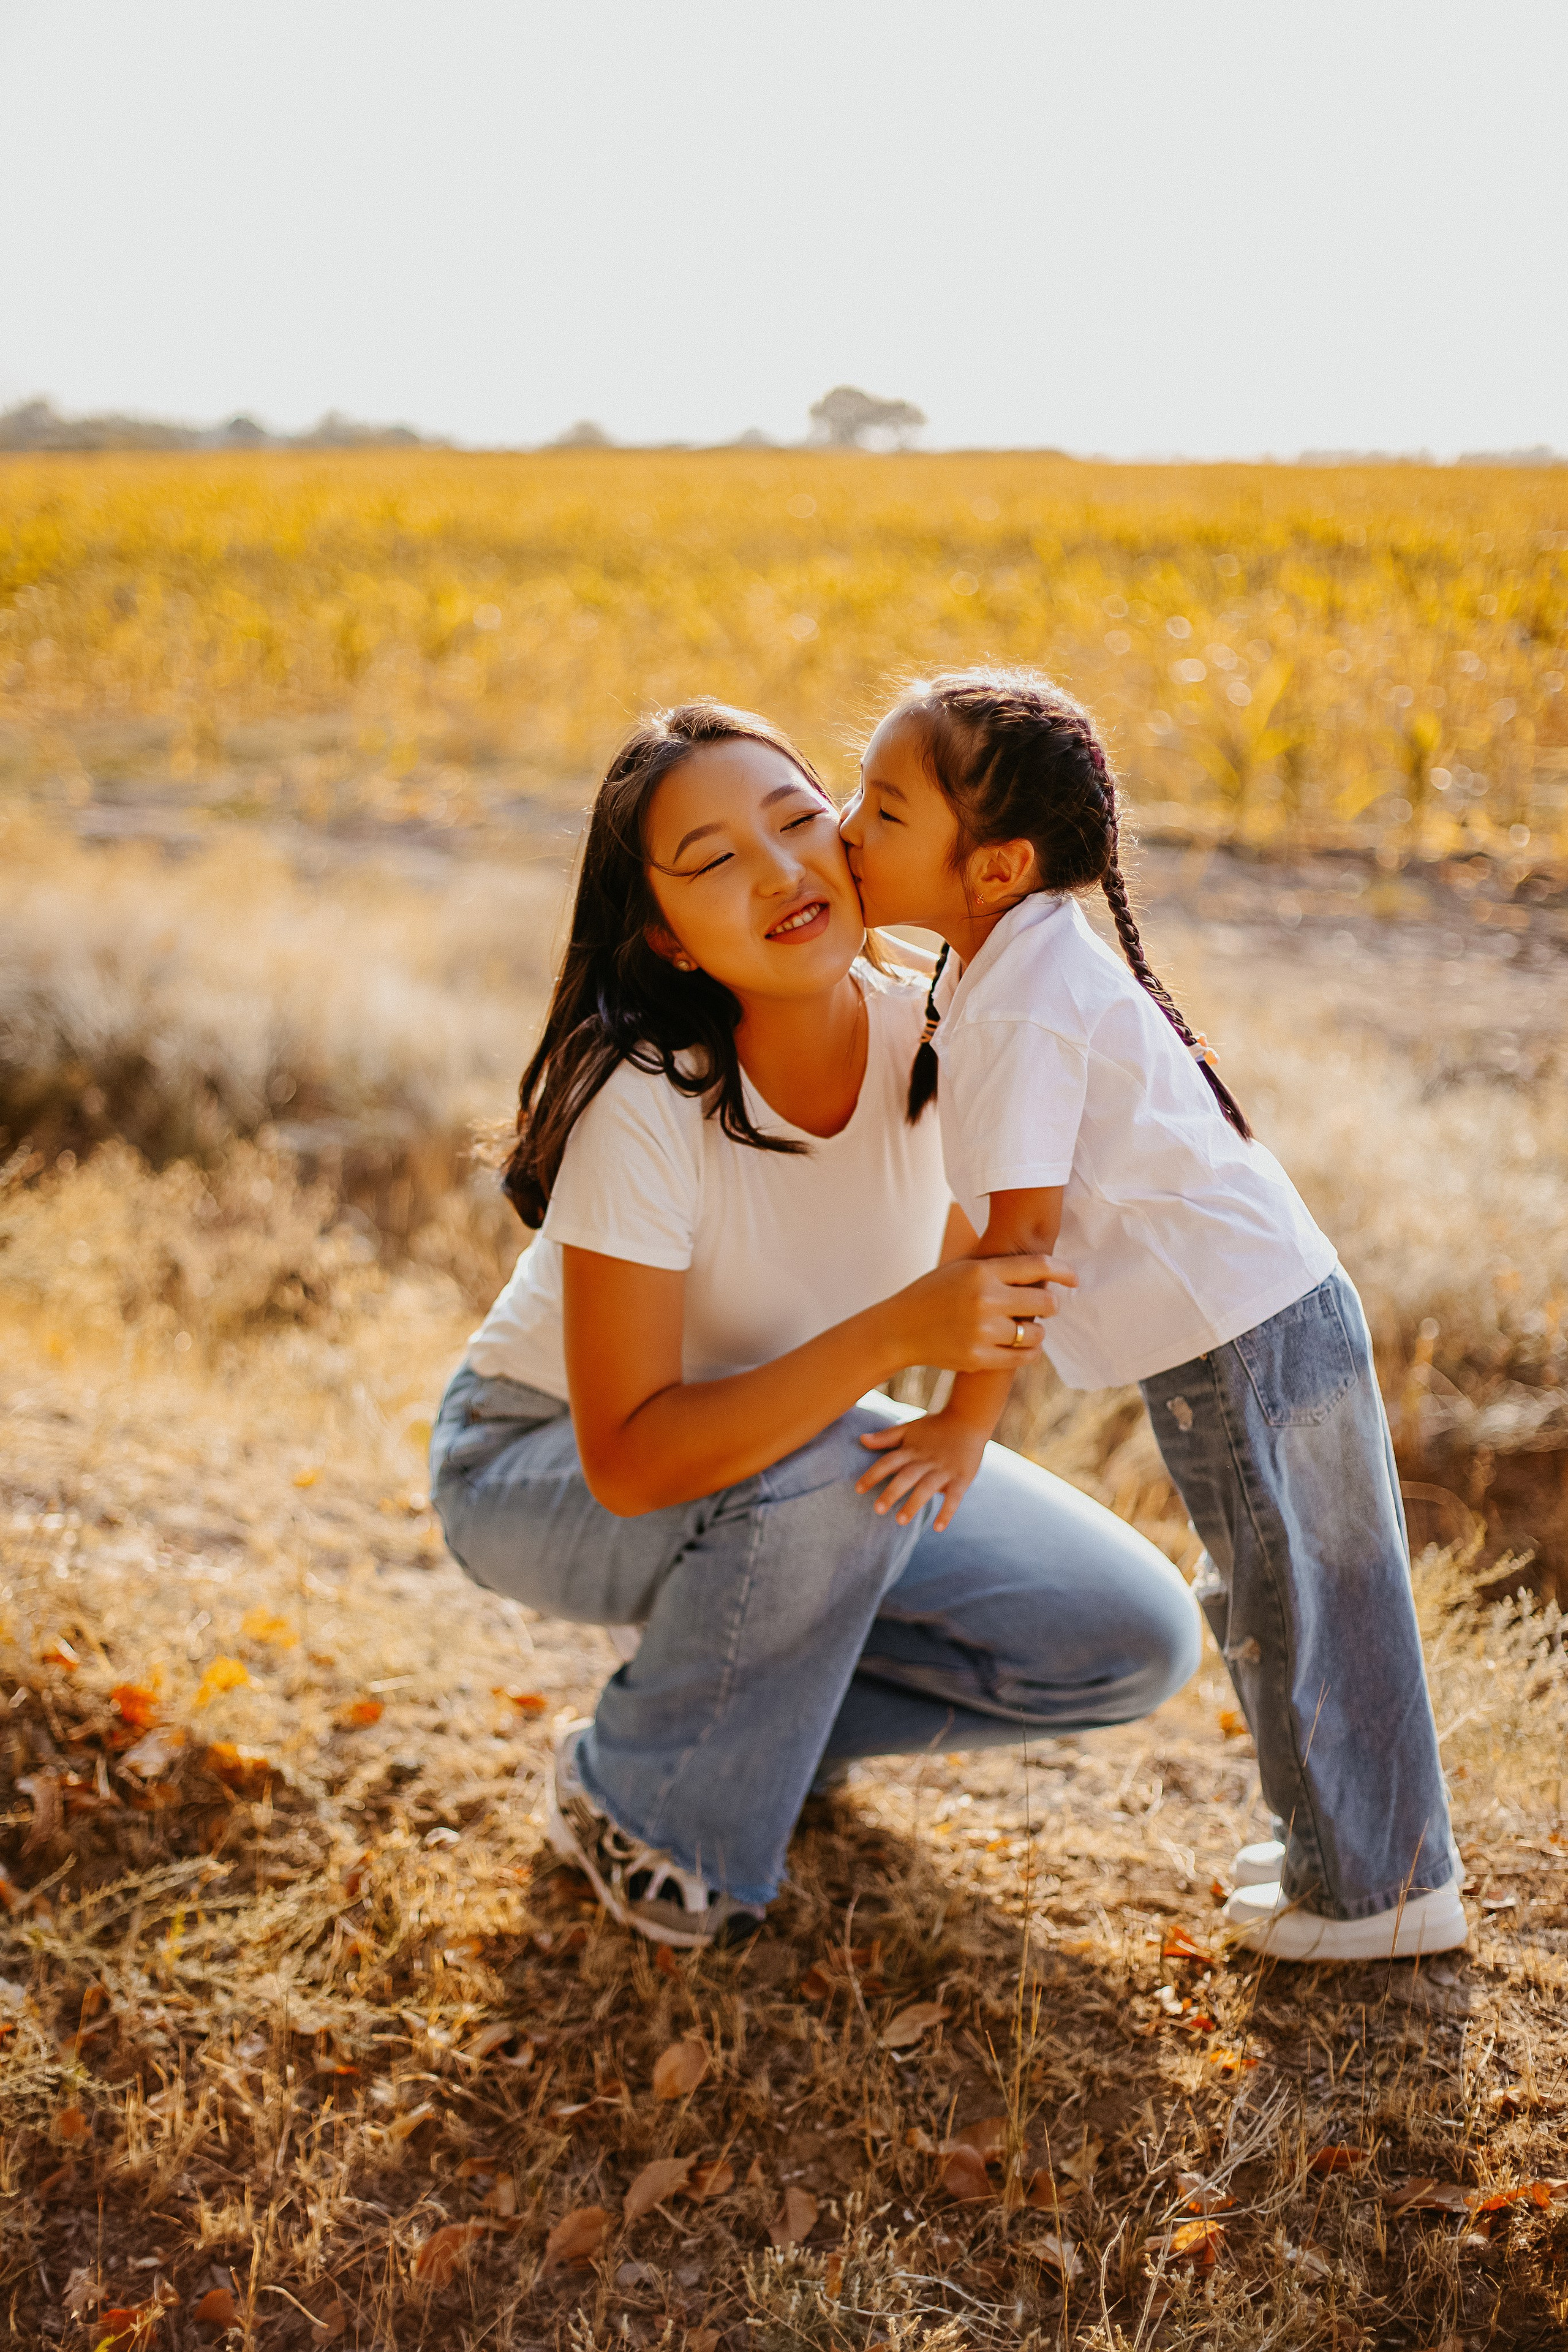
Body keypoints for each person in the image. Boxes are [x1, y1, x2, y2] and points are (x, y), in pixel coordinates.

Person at [430, 699, 1202, 1949]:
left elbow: (1003, 1269)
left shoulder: (952, 1043)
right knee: (839, 1467)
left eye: (798, 820)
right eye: (712, 861)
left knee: (1125, 1637)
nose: (780, 869)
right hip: (535, 1464)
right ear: (667, 940)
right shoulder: (645, 1107)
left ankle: (751, 1736)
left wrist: (950, 1397)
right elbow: (627, 1462)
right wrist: (895, 1332)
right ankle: (646, 1811)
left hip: (804, 1461)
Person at [838, 666, 1466, 1963]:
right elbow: (983, 1202)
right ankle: (1352, 1849)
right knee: (1295, 1592)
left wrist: (962, 1427)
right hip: (1259, 1311)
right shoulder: (1011, 957)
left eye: (882, 812)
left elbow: (1008, 1249)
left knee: (1292, 1602)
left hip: (1234, 1336)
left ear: (996, 864)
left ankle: (1377, 1893)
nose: (846, 827)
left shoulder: (1012, 1001)